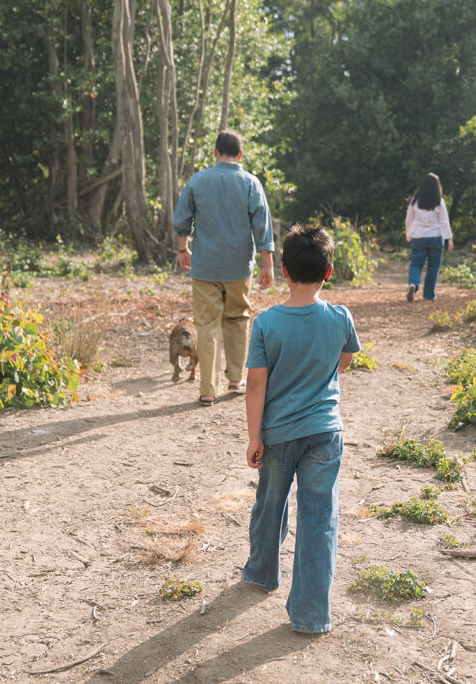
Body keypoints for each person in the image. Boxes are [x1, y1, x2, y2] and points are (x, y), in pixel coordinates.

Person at [242, 223, 361, 634]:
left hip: (277, 434)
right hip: (325, 433)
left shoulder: (266, 323)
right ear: (329, 271)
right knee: (319, 519)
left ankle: (261, 573)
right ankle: (311, 616)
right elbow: (344, 362)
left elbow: (256, 383)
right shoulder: (340, 317)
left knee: (270, 504)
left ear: (285, 270)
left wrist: (255, 436)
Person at [173, 130, 274, 406]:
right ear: (240, 154)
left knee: (206, 324)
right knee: (238, 318)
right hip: (240, 266)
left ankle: (207, 389)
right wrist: (268, 263)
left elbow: (182, 219)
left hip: (205, 266)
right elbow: (262, 226)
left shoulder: (197, 181)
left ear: (216, 152)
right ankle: (234, 378)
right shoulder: (251, 183)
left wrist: (183, 250)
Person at [405, 171, 453, 302]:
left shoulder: (414, 201)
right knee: (433, 267)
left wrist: (408, 233)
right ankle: (429, 295)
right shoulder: (439, 202)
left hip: (419, 237)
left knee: (416, 264)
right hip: (436, 238)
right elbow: (444, 221)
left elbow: (409, 219)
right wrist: (449, 239)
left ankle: (413, 284)